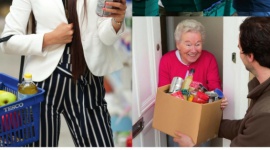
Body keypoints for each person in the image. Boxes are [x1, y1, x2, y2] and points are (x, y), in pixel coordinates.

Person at [0, 0, 126, 147]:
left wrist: (117, 20)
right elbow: (7, 41)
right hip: (41, 88)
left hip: (87, 82)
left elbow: (106, 37)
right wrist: (49, 38)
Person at [173, 17, 270, 147]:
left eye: (239, 48)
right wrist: (205, 124)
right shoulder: (262, 91)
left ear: (250, 56)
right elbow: (245, 127)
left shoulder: (265, 117)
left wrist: (191, 146)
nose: (193, 49)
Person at [158, 19, 228, 147]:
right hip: (175, 120)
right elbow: (163, 91)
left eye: (198, 44)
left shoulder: (209, 59)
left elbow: (215, 86)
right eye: (188, 44)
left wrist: (220, 99)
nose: (194, 50)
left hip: (200, 120)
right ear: (178, 44)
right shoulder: (167, 60)